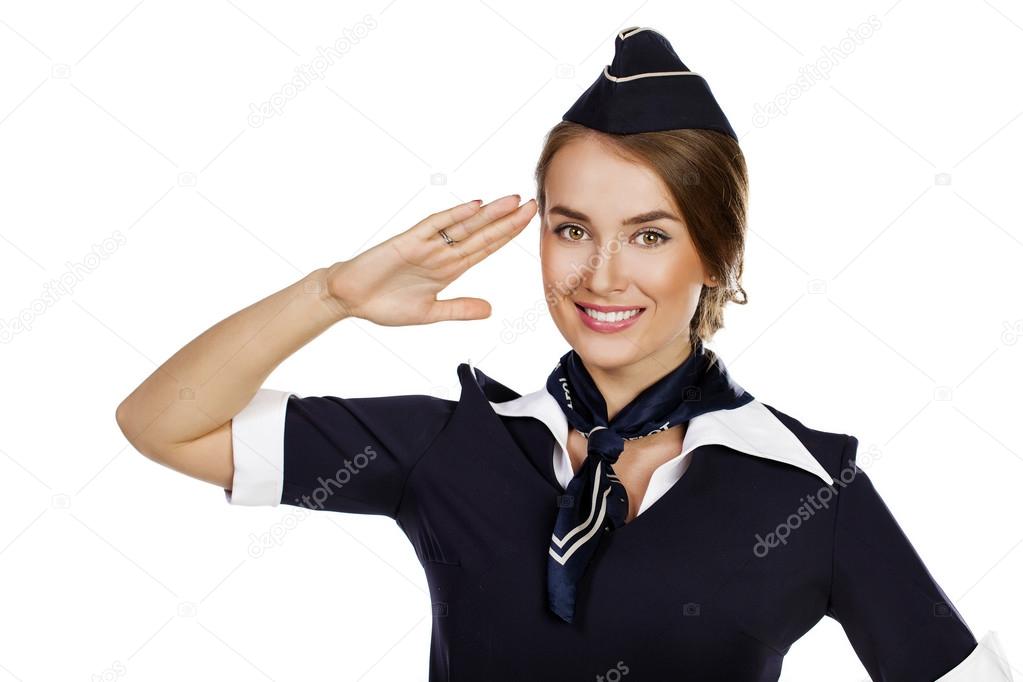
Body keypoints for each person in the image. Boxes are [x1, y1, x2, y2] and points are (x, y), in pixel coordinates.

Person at [115, 25, 1015, 681]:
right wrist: (331, 295)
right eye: (572, 228)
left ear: (717, 255)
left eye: (650, 235)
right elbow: (162, 425)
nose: (601, 275)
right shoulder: (454, 446)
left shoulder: (810, 491)